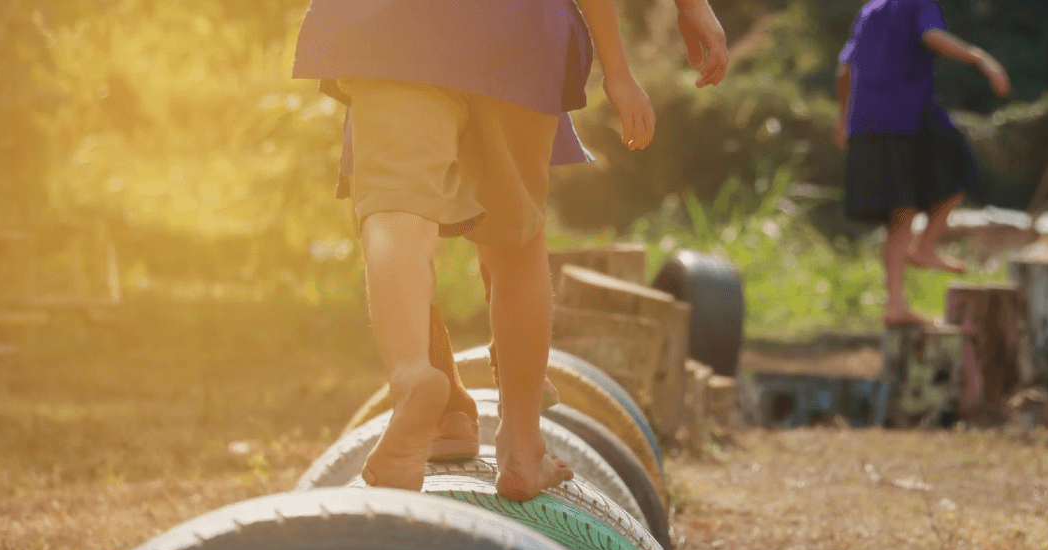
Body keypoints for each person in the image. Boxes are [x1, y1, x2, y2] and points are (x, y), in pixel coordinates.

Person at [292, 1, 728, 501]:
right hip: (517, 31)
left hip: (389, 23)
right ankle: (522, 448)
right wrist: (623, 66)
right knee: (515, 242)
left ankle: (417, 376)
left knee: (395, 205)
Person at [832, 0, 1009, 326]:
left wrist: (844, 120)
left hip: (869, 121)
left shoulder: (871, 10)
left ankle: (895, 303)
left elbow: (845, 68)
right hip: (907, 115)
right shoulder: (918, 2)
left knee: (901, 211)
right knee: (963, 168)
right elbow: (930, 36)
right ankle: (926, 246)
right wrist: (980, 58)